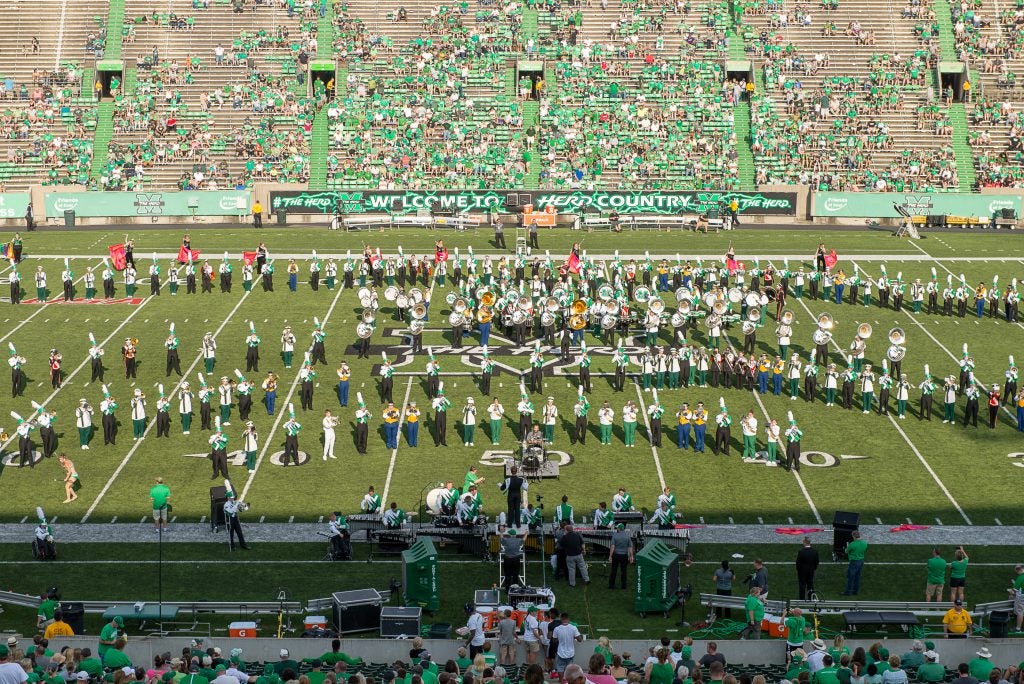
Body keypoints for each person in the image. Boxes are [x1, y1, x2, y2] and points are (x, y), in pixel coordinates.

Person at [608, 523, 634, 590]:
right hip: (624, 556)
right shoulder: (627, 536)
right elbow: (630, 547)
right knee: (624, 571)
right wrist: (631, 556)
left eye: (617, 528)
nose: (616, 529)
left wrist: (610, 556)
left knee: (614, 570)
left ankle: (611, 585)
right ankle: (624, 586)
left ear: (619, 528)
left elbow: (612, 547)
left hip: (616, 555)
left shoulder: (615, 535)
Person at [843, 531, 868, 595]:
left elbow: (846, 551)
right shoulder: (864, 543)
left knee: (850, 577)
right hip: (861, 561)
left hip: (854, 562)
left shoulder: (852, 544)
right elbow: (865, 550)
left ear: (853, 536)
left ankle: (848, 592)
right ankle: (856, 591)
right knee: (857, 576)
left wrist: (846, 548)